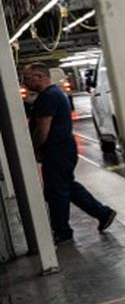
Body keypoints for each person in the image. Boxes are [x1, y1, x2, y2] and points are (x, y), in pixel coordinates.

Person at [22, 64, 115, 244]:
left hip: (57, 151)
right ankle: (103, 213)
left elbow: (42, 131)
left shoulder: (47, 98)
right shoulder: (55, 94)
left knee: (57, 191)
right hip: (63, 149)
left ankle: (62, 231)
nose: (24, 83)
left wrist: (32, 150)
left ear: (40, 77)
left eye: (27, 78)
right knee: (65, 187)